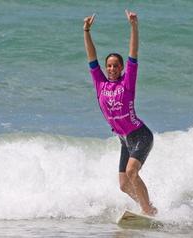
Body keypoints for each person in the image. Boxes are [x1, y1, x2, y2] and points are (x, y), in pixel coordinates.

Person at [83, 10, 157, 216]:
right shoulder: (100, 83)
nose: (112, 68)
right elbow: (91, 57)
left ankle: (147, 209)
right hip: (124, 140)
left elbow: (133, 52)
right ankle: (148, 203)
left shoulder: (128, 81)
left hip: (140, 135)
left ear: (122, 67)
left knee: (132, 172)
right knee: (124, 184)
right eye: (109, 65)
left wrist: (134, 26)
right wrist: (86, 30)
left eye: (116, 65)